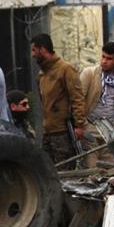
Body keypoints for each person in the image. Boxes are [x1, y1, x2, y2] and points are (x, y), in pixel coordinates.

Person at [31, 33, 87, 166]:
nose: (32, 54)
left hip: (63, 132)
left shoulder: (65, 69)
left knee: (65, 172)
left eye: (34, 50)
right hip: (48, 131)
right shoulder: (42, 74)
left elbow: (77, 98)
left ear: (43, 49)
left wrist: (79, 125)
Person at [80, 42, 114, 131]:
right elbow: (78, 100)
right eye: (103, 56)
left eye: (109, 59)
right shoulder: (89, 73)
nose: (104, 61)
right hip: (90, 127)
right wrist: (82, 124)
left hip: (111, 129)